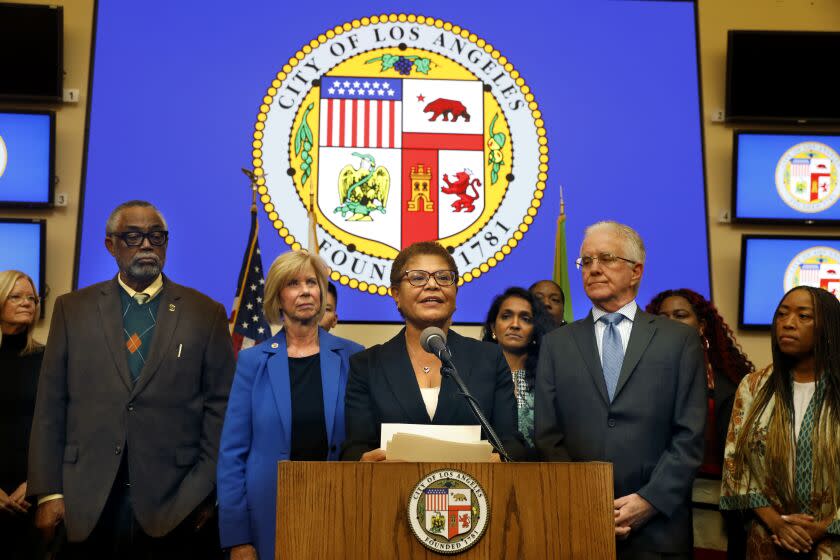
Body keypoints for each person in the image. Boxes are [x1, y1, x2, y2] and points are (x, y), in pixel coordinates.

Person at [28, 200, 236, 559]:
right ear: (111, 245)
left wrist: (205, 489)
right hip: (85, 501)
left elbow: (221, 410)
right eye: (133, 236)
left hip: (175, 502)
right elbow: (50, 405)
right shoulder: (72, 310)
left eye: (156, 236)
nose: (146, 245)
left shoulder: (205, 314)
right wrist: (48, 493)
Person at [535, 220, 706, 559]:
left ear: (636, 271)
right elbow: (547, 435)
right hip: (577, 524)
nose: (593, 269)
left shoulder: (678, 341)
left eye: (606, 258)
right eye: (585, 261)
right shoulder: (557, 344)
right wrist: (587, 504)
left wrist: (649, 500)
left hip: (659, 530)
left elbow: (691, 435)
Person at [217, 251, 363, 560]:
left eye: (312, 282)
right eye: (294, 283)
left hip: (337, 511)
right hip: (267, 515)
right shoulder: (252, 361)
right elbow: (232, 455)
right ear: (278, 298)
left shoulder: (353, 357)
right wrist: (237, 538)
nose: (306, 290)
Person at [342, 241, 525, 462]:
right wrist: (363, 461)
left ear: (455, 292)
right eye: (418, 278)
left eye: (444, 277)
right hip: (391, 491)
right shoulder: (367, 365)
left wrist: (502, 458)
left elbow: (512, 443)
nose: (432, 285)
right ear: (396, 294)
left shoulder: (489, 359)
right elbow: (354, 448)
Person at [721, 286, 840, 559]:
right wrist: (777, 522)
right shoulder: (754, 386)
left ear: (829, 327)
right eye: (782, 314)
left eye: (804, 316)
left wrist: (821, 527)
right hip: (769, 538)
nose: (787, 323)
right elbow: (734, 463)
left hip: (832, 543)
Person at [647, 288, 754, 558]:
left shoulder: (729, 381)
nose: (670, 322)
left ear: (702, 325)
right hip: (656, 498)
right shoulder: (639, 373)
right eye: (663, 316)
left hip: (715, 502)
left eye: (680, 315)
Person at [0, 270, 44, 559]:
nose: (27, 302)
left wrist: (35, 483)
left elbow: (59, 426)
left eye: (32, 297)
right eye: (16, 296)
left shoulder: (48, 358)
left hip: (31, 493)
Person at [481, 287, 553, 452]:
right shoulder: (473, 376)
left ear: (535, 330)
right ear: (493, 327)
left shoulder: (549, 378)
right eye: (506, 317)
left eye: (525, 319)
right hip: (484, 469)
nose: (514, 325)